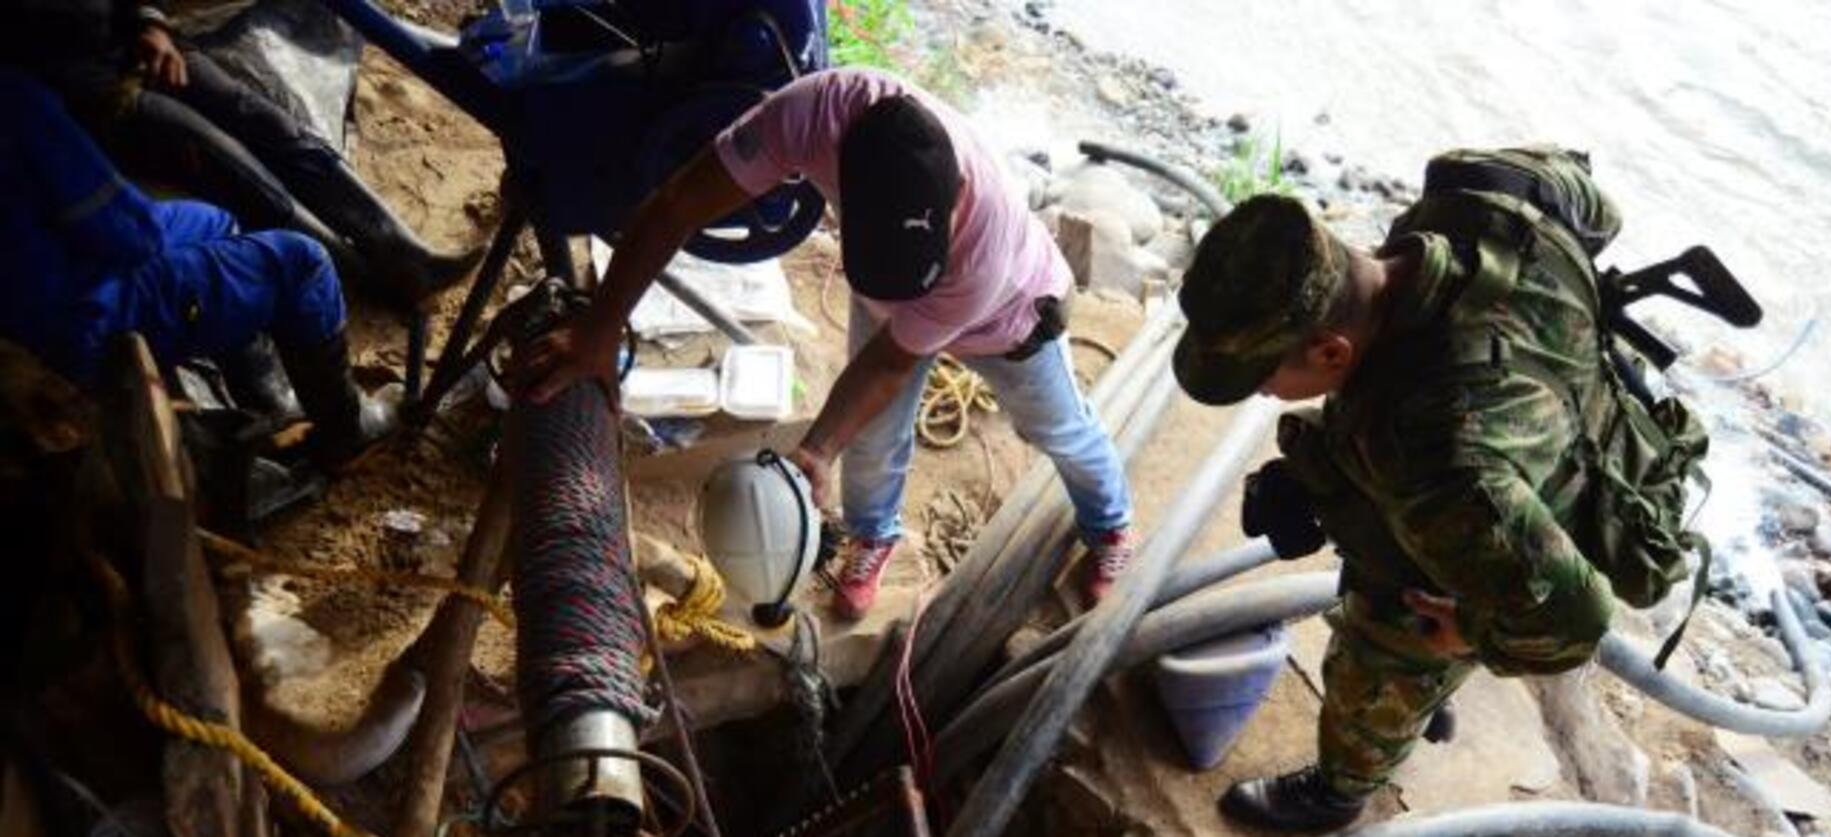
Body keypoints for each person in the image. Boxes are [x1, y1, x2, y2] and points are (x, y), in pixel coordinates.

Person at [511, 67, 1138, 620]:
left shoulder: (985, 246)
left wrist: (816, 448)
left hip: (1006, 319)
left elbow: (892, 363)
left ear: (953, 211)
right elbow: (677, 205)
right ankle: (874, 535)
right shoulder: (812, 114)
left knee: (1056, 428)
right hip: (894, 297)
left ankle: (1109, 525)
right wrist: (599, 328)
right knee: (873, 434)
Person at [1174, 146, 1637, 832]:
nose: (1265, 393)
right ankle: (1425, 695)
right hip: (1554, 406)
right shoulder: (1472, 191)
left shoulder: (1442, 461)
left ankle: (1340, 789)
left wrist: (1475, 633)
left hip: (1540, 496)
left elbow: (1575, 621)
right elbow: (1598, 209)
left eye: (1264, 377)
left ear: (1332, 352)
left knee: (1387, 642)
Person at [0, 68, 390, 466]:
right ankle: (346, 430)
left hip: (30, 289)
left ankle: (265, 396)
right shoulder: (18, 104)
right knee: (303, 263)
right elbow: (132, 237)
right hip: (79, 319)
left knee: (214, 223)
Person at [2, 0, 478, 308]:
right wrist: (98, 93)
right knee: (226, 161)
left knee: (262, 119)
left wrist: (150, 23)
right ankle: (355, 276)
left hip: (136, 48)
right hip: (91, 99)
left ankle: (402, 252)